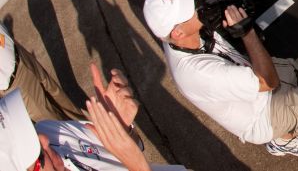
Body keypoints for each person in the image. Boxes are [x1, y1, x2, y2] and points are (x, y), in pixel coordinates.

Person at [144, 0, 298, 158]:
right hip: (260, 115)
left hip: (249, 80)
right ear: (177, 32)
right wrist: (246, 32)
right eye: (189, 9)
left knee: (297, 72)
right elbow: (268, 81)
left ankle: (290, 116)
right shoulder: (199, 73)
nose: (197, 6)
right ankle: (282, 140)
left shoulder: (180, 37)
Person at [0, 65, 187, 171]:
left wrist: (120, 125)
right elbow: (133, 159)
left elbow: (127, 148)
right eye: (37, 153)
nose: (43, 139)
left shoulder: (48, 129)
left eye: (30, 131)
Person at [1, 19, 85, 123]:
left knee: (57, 94)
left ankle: (90, 128)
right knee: (52, 120)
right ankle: (83, 137)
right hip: (14, 83)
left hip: (19, 54)